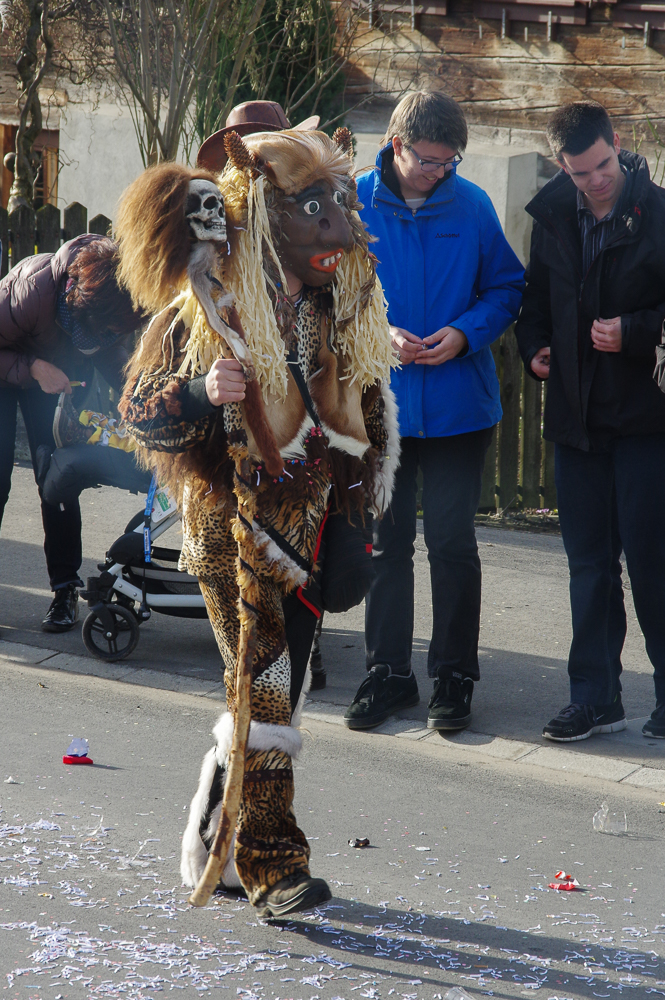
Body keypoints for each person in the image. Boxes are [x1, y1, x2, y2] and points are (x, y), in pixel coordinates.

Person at [116, 126, 398, 916]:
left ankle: (216, 837)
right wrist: (204, 392)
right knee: (268, 694)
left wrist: (355, 518)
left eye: (338, 203)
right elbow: (139, 413)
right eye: (314, 208)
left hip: (307, 538)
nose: (337, 225)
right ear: (264, 214)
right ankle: (273, 866)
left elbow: (361, 427)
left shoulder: (334, 309)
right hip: (233, 537)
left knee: (277, 696)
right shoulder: (204, 309)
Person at [343, 90, 524, 733]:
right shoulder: (352, 203)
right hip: (379, 406)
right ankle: (388, 673)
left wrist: (466, 333)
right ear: (396, 145)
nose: (439, 171)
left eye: (449, 161)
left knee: (451, 543)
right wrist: (379, 331)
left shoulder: (471, 206)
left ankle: (454, 677)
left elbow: (508, 287)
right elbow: (329, 290)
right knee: (386, 544)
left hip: (458, 410)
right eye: (428, 159)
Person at [515, 101, 665, 742]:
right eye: (580, 173)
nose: (596, 180)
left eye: (603, 165)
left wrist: (634, 331)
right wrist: (535, 347)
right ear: (562, 165)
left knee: (655, 562)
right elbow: (534, 302)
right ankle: (595, 697)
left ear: (618, 144)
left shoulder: (661, 214)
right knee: (589, 568)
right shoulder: (549, 216)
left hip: (647, 423)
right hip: (575, 421)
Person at [0, 235, 145, 632]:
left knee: (58, 476)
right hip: (8, 365)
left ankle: (64, 589)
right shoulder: (31, 292)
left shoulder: (111, 299)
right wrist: (33, 367)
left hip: (57, 381)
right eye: (98, 332)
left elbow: (114, 362)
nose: (102, 340)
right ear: (77, 304)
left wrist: (141, 404)